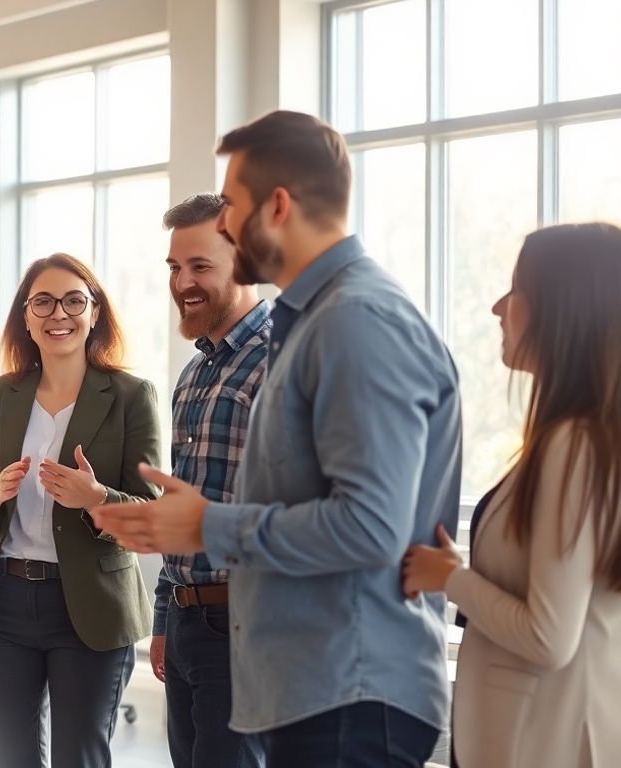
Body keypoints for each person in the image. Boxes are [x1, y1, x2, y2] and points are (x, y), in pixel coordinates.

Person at [91, 110, 463, 767]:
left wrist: (210, 525)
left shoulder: (354, 321)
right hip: (309, 681)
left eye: (232, 206)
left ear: (279, 205)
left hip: (347, 689)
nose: (229, 225)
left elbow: (371, 528)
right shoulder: (316, 322)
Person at [402, 223, 621, 768]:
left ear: (562, 311)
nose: (500, 307)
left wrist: (448, 578)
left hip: (549, 736)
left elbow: (548, 636)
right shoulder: (581, 438)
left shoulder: (574, 445)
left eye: (517, 290)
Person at [0, 253, 160, 768]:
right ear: (25, 318)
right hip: (4, 602)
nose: (59, 314)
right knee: (8, 757)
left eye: (74, 300)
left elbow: (149, 518)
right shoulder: (0, 395)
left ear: (95, 313)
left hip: (89, 607)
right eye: (42, 302)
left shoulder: (131, 395)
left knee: (79, 758)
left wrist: (96, 499)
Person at [154, 193, 268, 768]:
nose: (183, 282)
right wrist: (163, 619)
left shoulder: (284, 361)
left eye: (201, 266)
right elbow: (180, 502)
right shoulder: (195, 372)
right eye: (175, 267)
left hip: (248, 624)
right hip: (185, 620)